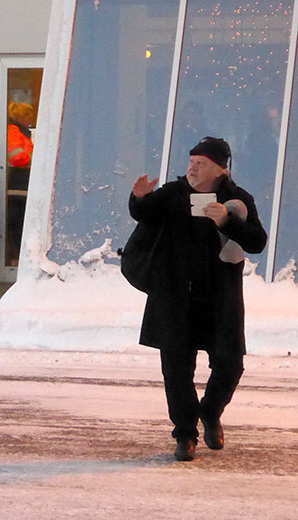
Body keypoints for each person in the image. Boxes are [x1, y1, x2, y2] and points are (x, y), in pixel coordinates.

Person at [129, 136, 267, 461]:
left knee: (230, 364)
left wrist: (226, 221)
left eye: (200, 163)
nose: (192, 168)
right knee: (176, 370)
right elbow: (145, 214)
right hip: (175, 297)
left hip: (220, 300)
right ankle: (185, 434)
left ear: (220, 168)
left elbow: (258, 241)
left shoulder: (237, 199)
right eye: (190, 162)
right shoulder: (174, 194)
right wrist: (138, 198)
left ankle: (210, 412)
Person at [6, 102, 35, 266]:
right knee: (18, 223)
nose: (30, 121)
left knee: (20, 222)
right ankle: (17, 258)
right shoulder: (14, 133)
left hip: (21, 181)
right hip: (18, 182)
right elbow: (16, 157)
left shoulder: (21, 133)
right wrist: (35, 158)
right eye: (28, 117)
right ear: (21, 118)